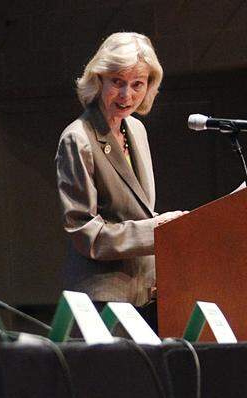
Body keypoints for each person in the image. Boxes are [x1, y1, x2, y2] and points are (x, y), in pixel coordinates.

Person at [55, 32, 187, 316]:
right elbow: (86, 234)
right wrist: (158, 230)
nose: (127, 95)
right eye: (118, 82)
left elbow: (138, 212)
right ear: (99, 79)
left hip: (146, 293)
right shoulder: (77, 138)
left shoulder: (136, 129)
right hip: (102, 298)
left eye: (137, 84)